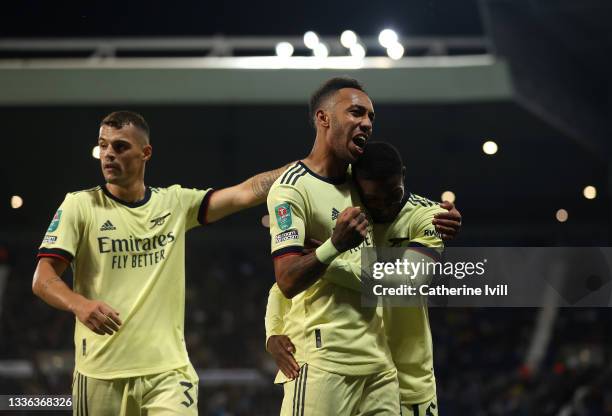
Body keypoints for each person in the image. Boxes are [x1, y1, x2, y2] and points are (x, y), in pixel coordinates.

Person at [32, 111, 290, 416]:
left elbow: (246, 192)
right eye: (104, 146)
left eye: (120, 146)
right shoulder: (80, 206)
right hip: (100, 372)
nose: (109, 154)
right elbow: (42, 278)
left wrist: (305, 168)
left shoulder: (174, 203)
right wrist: (79, 305)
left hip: (168, 372)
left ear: (146, 153)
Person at [268, 77, 425, 415]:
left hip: (379, 366)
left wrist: (441, 214)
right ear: (323, 118)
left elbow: (407, 205)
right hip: (322, 364)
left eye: (370, 116)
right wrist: (334, 245)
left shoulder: (366, 180)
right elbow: (287, 279)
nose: (366, 123)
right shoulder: (292, 189)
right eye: (356, 112)